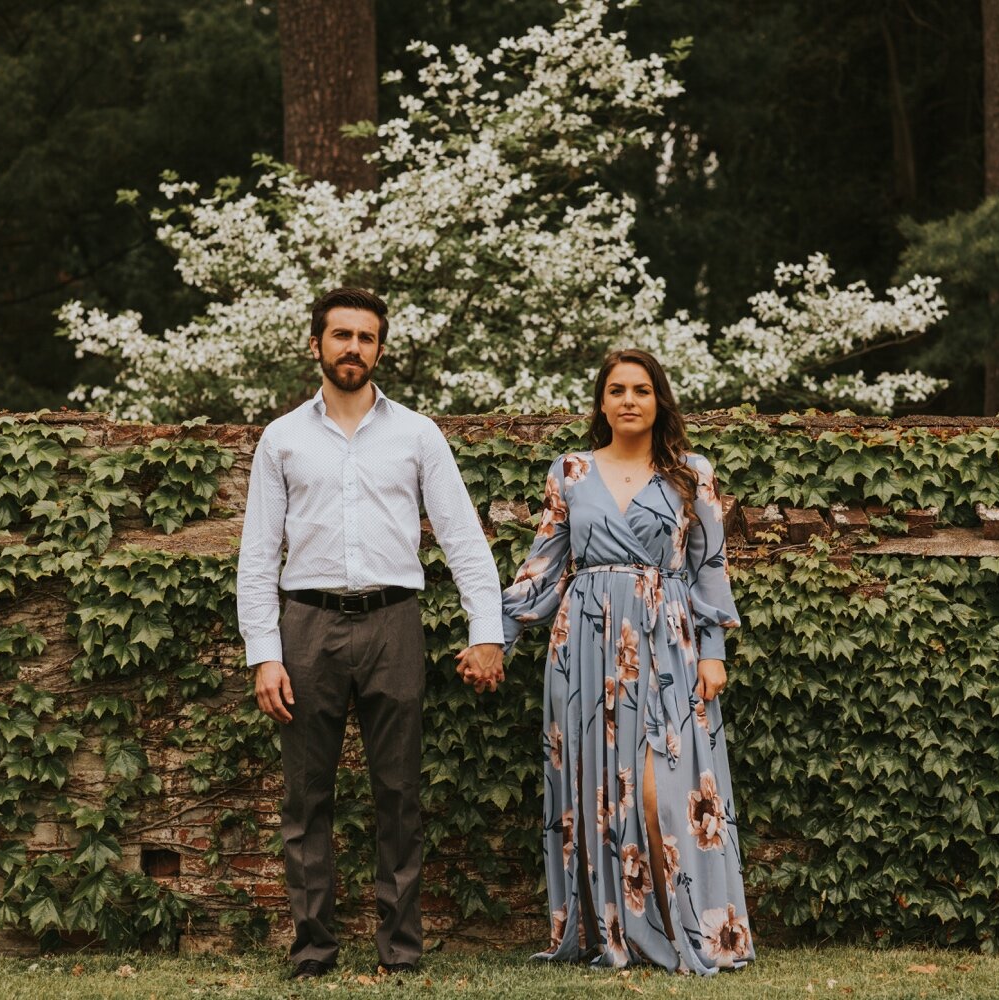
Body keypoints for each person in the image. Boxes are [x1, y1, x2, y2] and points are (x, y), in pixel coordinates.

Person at [237, 287, 505, 981]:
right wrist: (265, 654)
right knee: (307, 798)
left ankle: (401, 952)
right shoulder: (282, 438)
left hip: (394, 624)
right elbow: (259, 555)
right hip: (307, 628)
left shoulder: (417, 434)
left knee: (398, 793)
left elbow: (463, 539)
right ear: (316, 345)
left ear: (380, 349)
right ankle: (313, 952)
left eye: (366, 337)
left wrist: (487, 632)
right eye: (341, 335)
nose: (353, 347)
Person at [476, 348, 755, 975]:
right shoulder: (571, 472)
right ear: (601, 402)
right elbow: (542, 570)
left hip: (668, 643)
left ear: (659, 401)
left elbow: (709, 569)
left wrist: (713, 652)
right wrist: (495, 638)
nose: (629, 399)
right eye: (617, 389)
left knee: (665, 793)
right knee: (598, 792)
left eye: (642, 389)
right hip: (585, 649)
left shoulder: (691, 472)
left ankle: (683, 929)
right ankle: (615, 932)